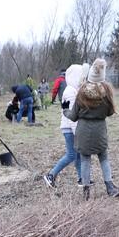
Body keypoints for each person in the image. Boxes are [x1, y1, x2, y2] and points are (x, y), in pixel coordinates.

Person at [63, 58, 119, 200]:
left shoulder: (81, 92)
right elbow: (109, 112)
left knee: (85, 160)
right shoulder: (106, 92)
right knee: (104, 158)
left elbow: (73, 116)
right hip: (100, 130)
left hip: (83, 131)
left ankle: (86, 192)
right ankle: (110, 187)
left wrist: (65, 110)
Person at [43, 63, 89, 192]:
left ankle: (81, 178)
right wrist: (77, 132)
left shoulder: (73, 90)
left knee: (77, 155)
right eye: (81, 76)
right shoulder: (71, 92)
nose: (83, 79)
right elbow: (71, 115)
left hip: (70, 127)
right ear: (75, 76)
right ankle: (51, 175)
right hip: (69, 128)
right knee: (71, 155)